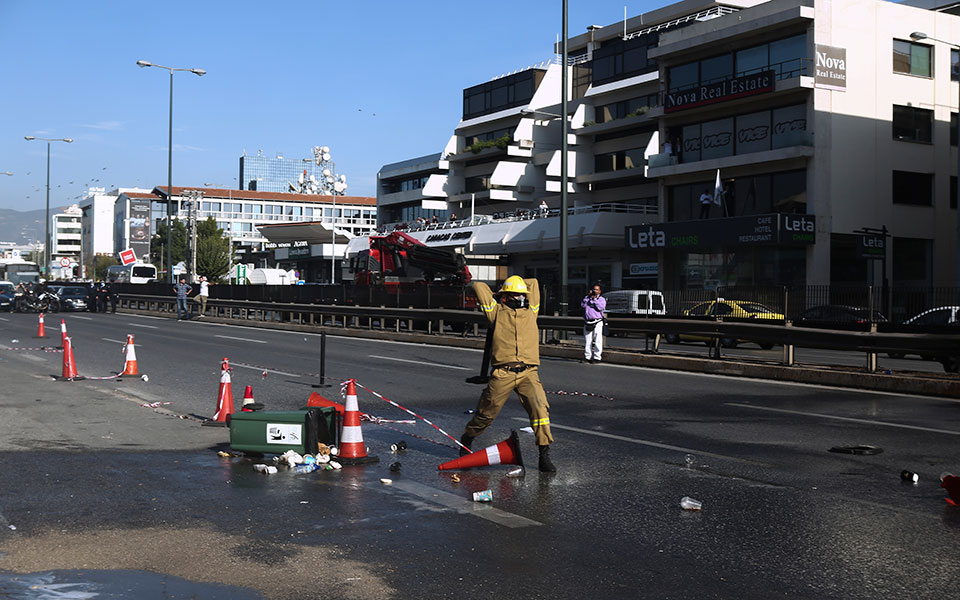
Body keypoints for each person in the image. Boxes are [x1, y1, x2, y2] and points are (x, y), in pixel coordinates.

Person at [459, 275, 556, 472]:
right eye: (516, 295)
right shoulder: (495, 312)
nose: (520, 298)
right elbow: (479, 285)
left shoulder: (532, 311)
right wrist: (500, 291)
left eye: (522, 295)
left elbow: (534, 283)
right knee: (487, 412)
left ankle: (544, 454)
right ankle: (468, 436)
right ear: (507, 296)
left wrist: (519, 285)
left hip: (529, 373)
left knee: (540, 410)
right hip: (503, 373)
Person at [581, 284, 607, 363]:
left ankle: (597, 357)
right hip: (587, 321)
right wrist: (588, 298)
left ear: (599, 291)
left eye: (596, 290)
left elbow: (600, 308)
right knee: (588, 340)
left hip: (597, 321)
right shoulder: (587, 298)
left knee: (597, 340)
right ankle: (587, 356)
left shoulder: (602, 299)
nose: (594, 291)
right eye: (593, 289)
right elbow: (583, 305)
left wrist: (595, 299)